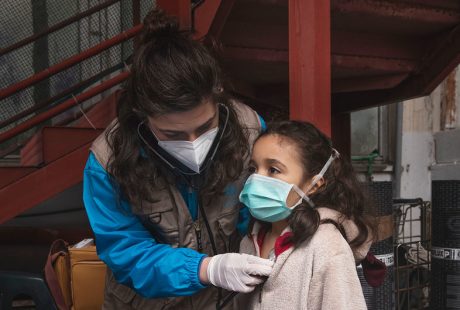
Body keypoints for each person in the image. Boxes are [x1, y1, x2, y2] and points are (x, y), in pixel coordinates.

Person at [82, 8, 273, 310]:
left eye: (205, 127)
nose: (193, 143)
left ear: (218, 95)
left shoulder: (250, 130)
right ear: (142, 117)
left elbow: (262, 213)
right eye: (172, 134)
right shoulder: (108, 162)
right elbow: (126, 252)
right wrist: (206, 269)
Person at [237, 120, 378, 309]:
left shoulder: (326, 243)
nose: (256, 179)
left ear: (314, 185)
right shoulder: (248, 242)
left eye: (273, 170)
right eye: (253, 169)